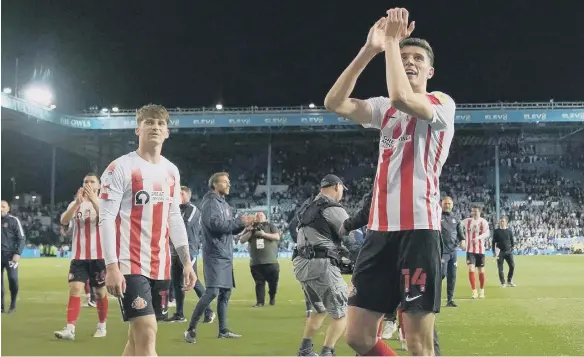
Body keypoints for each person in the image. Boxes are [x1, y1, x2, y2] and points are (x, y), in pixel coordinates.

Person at [324, 9, 456, 356]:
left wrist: (394, 44)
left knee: (417, 343)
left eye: (418, 59)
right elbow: (334, 102)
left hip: (419, 232)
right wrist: (370, 50)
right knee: (357, 336)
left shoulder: (441, 103)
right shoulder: (385, 110)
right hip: (379, 234)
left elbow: (402, 97)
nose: (409, 61)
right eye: (405, 56)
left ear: (430, 71)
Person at [99, 104, 197, 356]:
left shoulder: (171, 171)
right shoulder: (119, 167)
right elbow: (106, 218)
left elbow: (174, 217)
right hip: (129, 263)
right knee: (147, 331)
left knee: (136, 340)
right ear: (137, 129)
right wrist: (111, 267)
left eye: (160, 123)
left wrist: (187, 262)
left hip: (161, 264)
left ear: (167, 132)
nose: (155, 127)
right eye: (149, 122)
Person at [184, 172, 257, 344]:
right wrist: (240, 221)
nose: (228, 184)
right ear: (214, 185)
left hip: (225, 253)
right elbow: (216, 226)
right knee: (212, 292)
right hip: (215, 254)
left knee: (225, 292)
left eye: (228, 181)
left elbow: (229, 229)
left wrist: (245, 224)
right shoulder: (210, 202)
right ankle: (191, 329)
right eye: (225, 182)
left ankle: (223, 330)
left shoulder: (223, 204)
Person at [294, 174, 362, 357]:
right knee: (342, 313)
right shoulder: (332, 207)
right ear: (337, 187)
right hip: (322, 266)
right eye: (342, 190)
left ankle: (305, 350)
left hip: (302, 265)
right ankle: (327, 352)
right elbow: (351, 237)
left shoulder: (307, 207)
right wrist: (361, 259)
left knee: (320, 309)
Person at [54, 174, 109, 340]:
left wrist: (94, 201)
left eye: (92, 182)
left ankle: (102, 325)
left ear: (99, 186)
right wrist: (76, 204)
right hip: (79, 256)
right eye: (86, 181)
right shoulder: (76, 203)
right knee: (75, 289)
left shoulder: (105, 203)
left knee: (100, 293)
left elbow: (108, 220)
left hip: (99, 256)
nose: (88, 184)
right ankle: (70, 328)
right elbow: (63, 220)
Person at [166, 186, 215, 323]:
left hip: (189, 250)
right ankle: (179, 313)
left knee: (194, 281)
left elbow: (184, 225)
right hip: (175, 250)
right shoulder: (175, 210)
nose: (178, 195)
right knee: (177, 282)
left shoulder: (193, 210)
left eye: (181, 193)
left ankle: (209, 311)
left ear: (188, 194)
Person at [239, 212, 281, 307]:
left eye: (261, 215)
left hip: (271, 261)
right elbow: (241, 240)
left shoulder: (271, 226)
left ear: (265, 217)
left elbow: (277, 237)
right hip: (256, 262)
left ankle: (272, 296)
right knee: (259, 282)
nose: (258, 217)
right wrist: (250, 231)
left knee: (273, 283)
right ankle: (260, 302)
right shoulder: (250, 227)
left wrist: (263, 234)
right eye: (257, 216)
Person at [440, 196, 466, 307]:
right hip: (442, 251)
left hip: (453, 251)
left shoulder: (456, 218)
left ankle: (450, 300)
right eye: (445, 203)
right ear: (441, 204)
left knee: (453, 276)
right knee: (441, 274)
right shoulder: (437, 216)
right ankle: (434, 297)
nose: (447, 205)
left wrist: (463, 240)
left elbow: (460, 231)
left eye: (449, 203)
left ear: (452, 205)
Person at [461, 205, 491, 299]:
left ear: (480, 212)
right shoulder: (467, 221)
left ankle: (481, 291)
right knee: (471, 269)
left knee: (481, 271)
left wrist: (477, 238)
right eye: (472, 211)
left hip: (480, 250)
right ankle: (474, 292)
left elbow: (487, 233)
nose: (473, 213)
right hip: (470, 250)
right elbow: (458, 226)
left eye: (476, 211)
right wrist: (462, 239)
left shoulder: (484, 222)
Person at [1, 200, 25, 314]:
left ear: (8, 208)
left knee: (13, 280)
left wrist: (18, 253)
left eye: (3, 206)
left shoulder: (14, 221)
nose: (1, 208)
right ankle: (1, 307)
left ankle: (13, 304)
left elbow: (21, 238)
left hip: (10, 256)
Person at [492, 216, 516, 287]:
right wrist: (494, 252)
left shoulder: (509, 231)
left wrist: (512, 249)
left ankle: (509, 281)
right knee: (500, 268)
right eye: (501, 221)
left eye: (503, 221)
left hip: (508, 251)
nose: (502, 222)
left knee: (512, 266)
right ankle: (503, 283)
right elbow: (493, 242)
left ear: (506, 222)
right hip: (500, 252)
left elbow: (512, 241)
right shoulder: (496, 231)